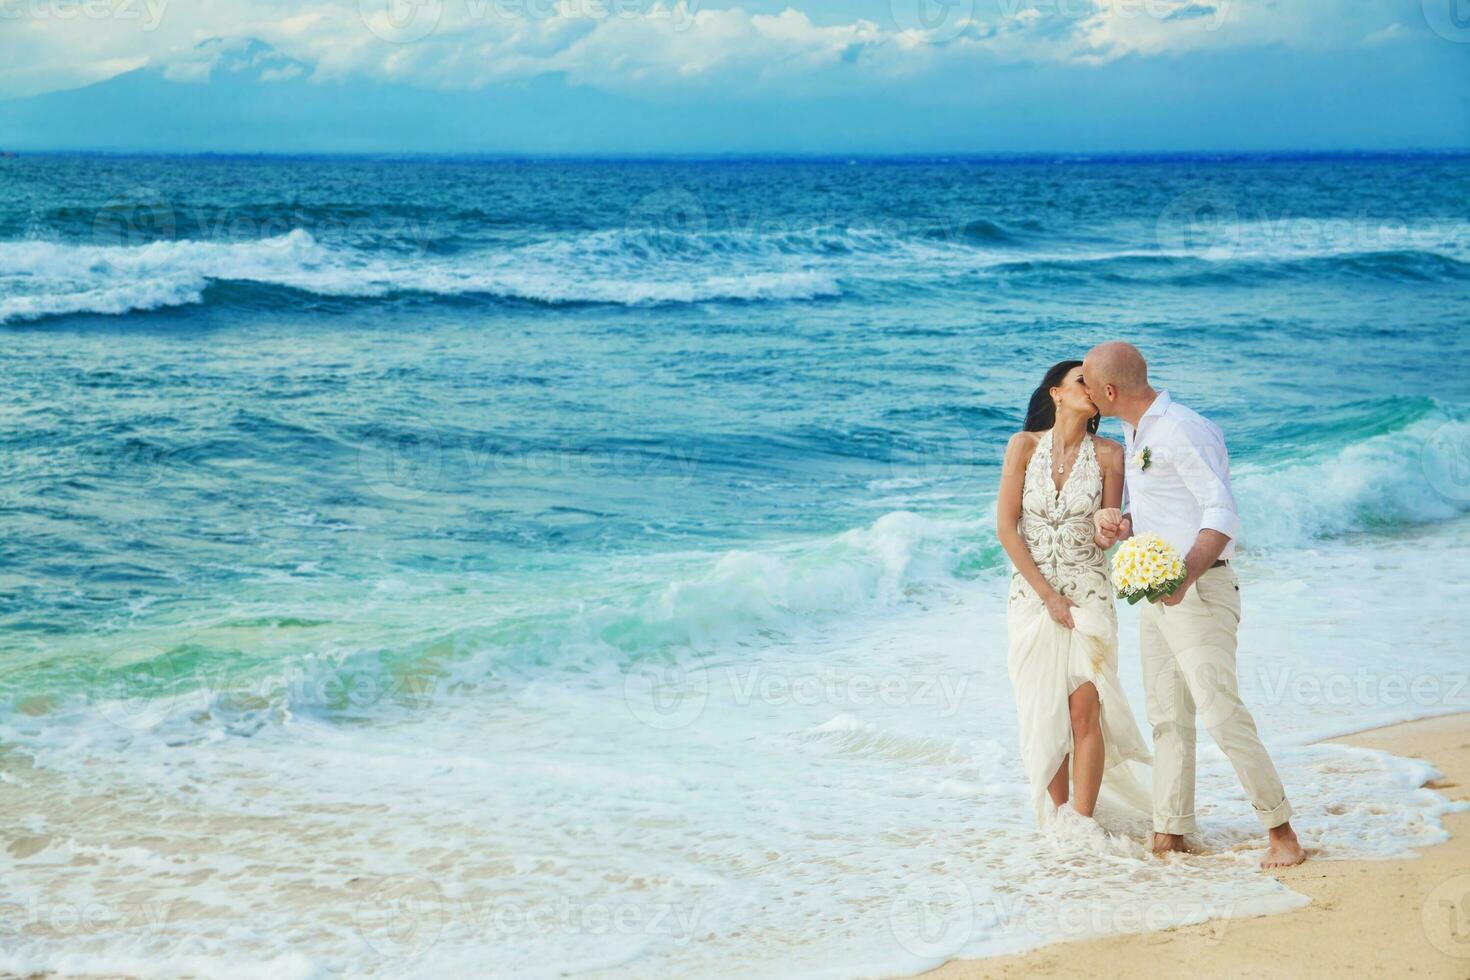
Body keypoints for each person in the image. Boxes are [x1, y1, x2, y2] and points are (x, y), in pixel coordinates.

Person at [1083, 341, 1306, 868]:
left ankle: (1282, 832)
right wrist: (1123, 524)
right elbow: (1166, 510)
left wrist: (1186, 575)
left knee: (1221, 713)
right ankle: (1170, 833)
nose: (1086, 393)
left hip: (1201, 588)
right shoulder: (1137, 431)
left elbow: (1222, 510)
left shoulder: (1183, 428)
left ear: (1110, 390)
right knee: (1166, 717)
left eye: (1089, 383)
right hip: (1159, 593)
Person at [997, 359, 1151, 828]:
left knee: (1085, 709)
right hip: (1033, 597)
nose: (1091, 387)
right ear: (1056, 394)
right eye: (1079, 380)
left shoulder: (1109, 454)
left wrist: (1113, 528)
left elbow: (1106, 531)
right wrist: (1047, 596)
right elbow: (1006, 529)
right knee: (1045, 711)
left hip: (1089, 592)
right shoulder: (1022, 447)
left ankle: (1081, 824)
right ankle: (1056, 818)